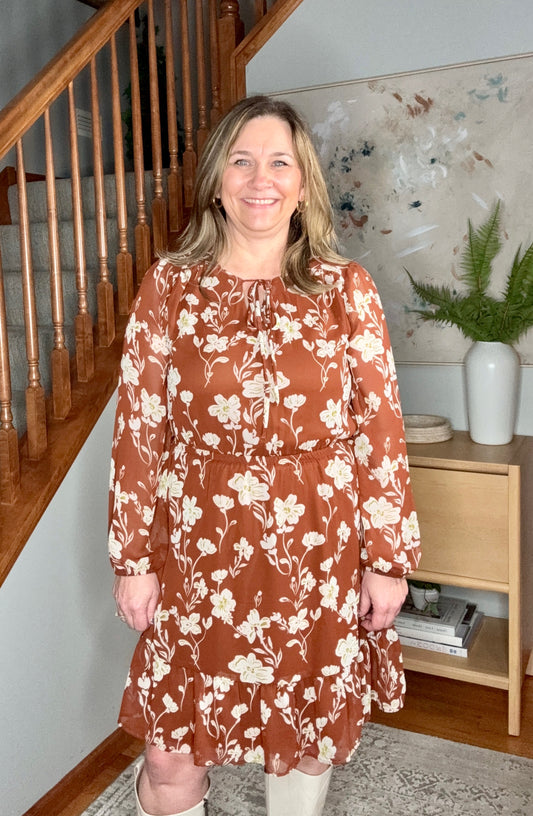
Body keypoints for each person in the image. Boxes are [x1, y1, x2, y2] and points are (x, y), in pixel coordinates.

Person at [109, 94, 421, 816]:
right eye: (241, 161)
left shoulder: (346, 290)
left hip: (316, 546)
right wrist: (132, 559)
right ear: (216, 182)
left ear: (302, 181)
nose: (260, 179)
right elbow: (139, 430)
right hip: (196, 554)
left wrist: (385, 560)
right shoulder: (170, 287)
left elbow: (379, 431)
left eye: (279, 161)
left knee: (305, 734)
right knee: (168, 755)